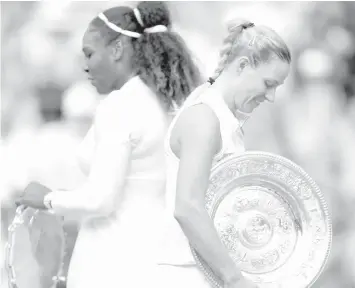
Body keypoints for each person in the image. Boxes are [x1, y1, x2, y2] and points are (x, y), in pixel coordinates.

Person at [16, 2, 201, 288]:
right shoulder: (171, 101)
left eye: (90, 53)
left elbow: (101, 200)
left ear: (116, 50)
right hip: (161, 261)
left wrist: (47, 199)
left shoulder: (121, 106)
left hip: (112, 263)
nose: (85, 65)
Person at [158, 19, 291, 288]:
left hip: (207, 273)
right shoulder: (204, 119)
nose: (272, 96)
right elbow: (186, 207)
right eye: (268, 83)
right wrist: (234, 279)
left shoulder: (223, 119)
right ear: (242, 66)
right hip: (186, 275)